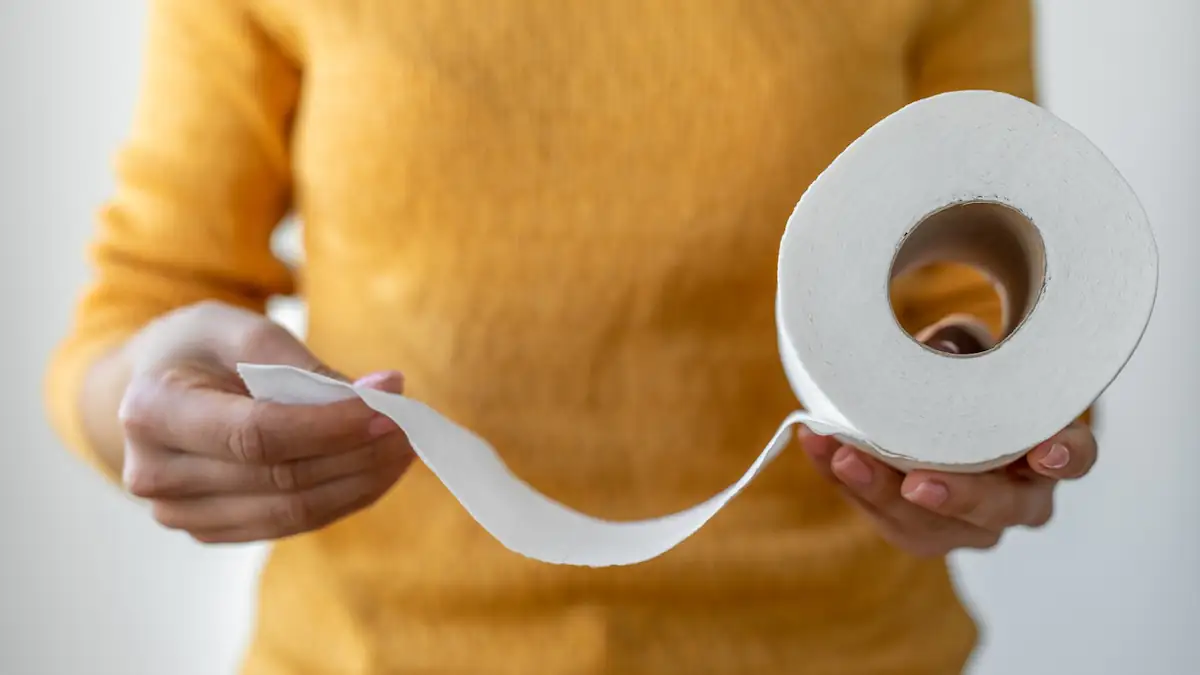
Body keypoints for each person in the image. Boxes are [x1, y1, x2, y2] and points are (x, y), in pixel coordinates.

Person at [45, 1, 1099, 673]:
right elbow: (141, 307)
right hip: (378, 656)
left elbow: (1004, 258)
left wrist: (982, 418)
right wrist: (148, 397)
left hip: (838, 652)